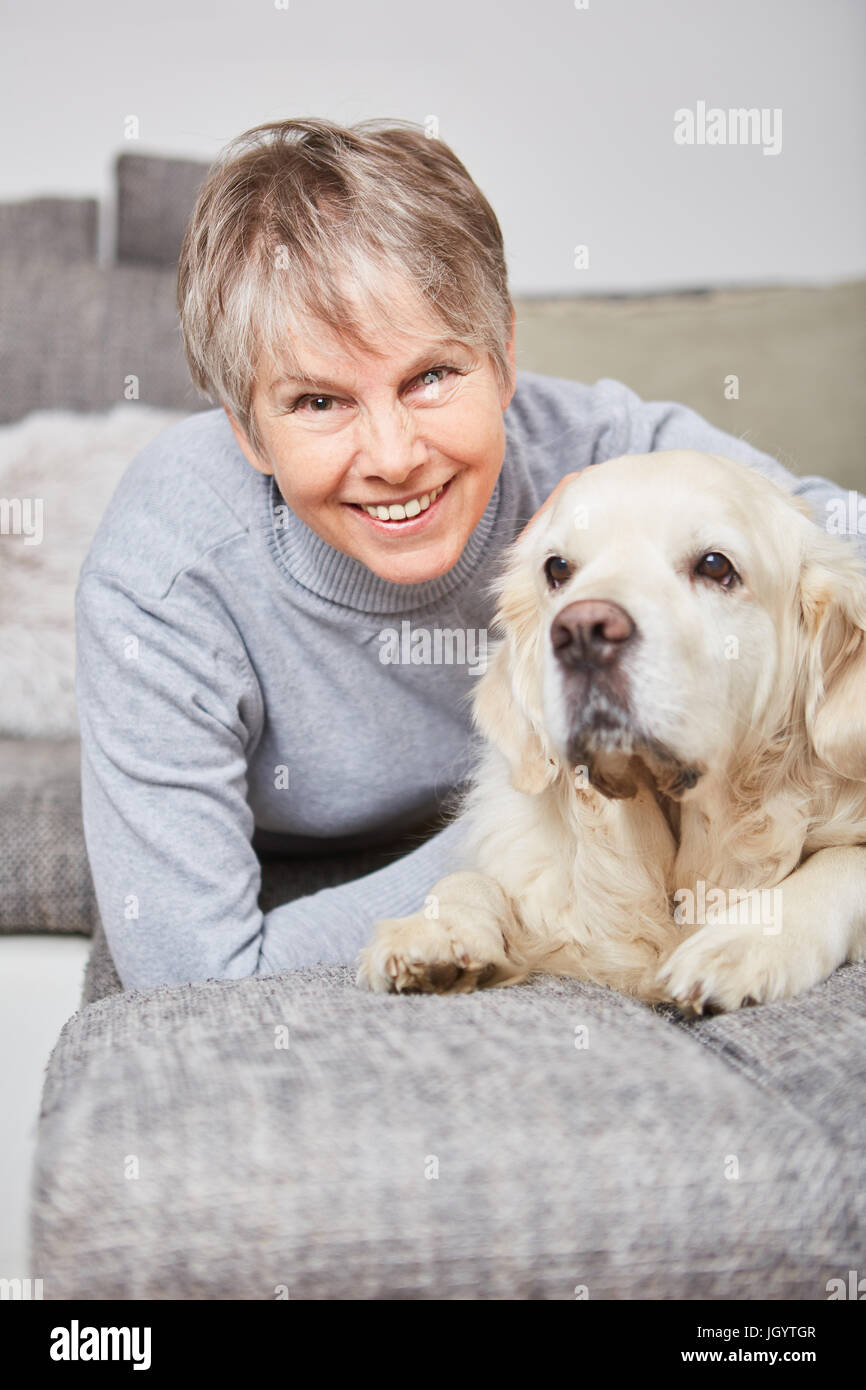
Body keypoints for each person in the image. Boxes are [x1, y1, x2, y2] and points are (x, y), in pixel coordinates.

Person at [76, 116, 859, 990]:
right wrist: (521, 821)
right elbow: (194, 976)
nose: (394, 455)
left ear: (504, 358)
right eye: (317, 402)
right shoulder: (166, 568)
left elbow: (836, 544)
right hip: (291, 885)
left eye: (431, 377)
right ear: (247, 434)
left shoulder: (606, 460)